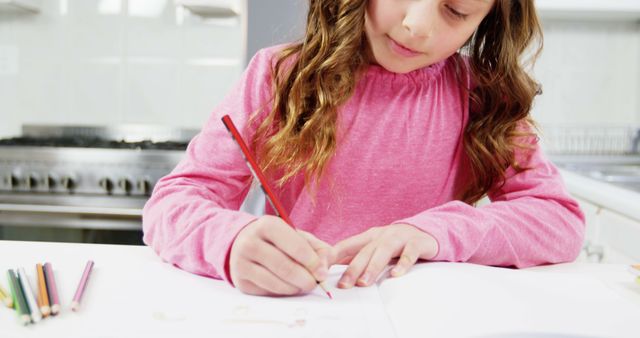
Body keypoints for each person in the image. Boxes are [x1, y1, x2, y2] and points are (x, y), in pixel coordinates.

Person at [142, 0, 585, 297]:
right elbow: (172, 204)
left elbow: (558, 220)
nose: (417, 25)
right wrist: (230, 241)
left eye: (455, 10)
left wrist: (436, 231)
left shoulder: (485, 97)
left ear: (487, 20)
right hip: (310, 312)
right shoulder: (279, 78)